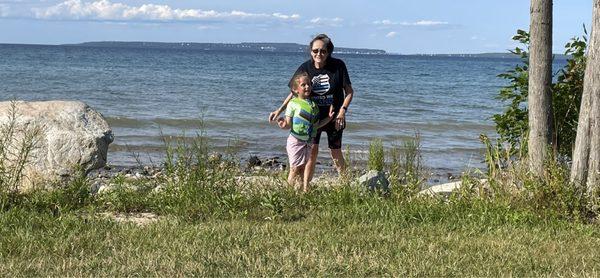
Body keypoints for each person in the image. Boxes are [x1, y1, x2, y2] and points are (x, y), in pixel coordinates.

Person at [269, 34, 354, 182]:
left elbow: (349, 92)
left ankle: (347, 184)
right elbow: (294, 92)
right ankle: (305, 188)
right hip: (312, 118)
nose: (318, 54)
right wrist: (279, 110)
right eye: (315, 50)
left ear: (328, 52)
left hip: (334, 117)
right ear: (310, 51)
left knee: (335, 151)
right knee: (312, 152)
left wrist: (342, 112)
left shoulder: (338, 66)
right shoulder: (305, 67)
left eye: (323, 51)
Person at [277, 72, 334, 192]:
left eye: (308, 84)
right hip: (295, 142)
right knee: (295, 168)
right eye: (303, 85)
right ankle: (288, 192)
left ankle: (301, 191)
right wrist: (283, 125)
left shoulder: (314, 105)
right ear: (295, 89)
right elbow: (288, 124)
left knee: (302, 168)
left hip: (308, 143)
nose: (307, 87)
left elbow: (317, 125)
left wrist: (329, 118)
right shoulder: (293, 103)